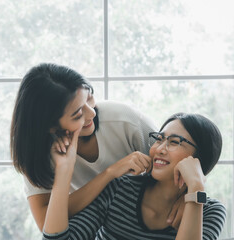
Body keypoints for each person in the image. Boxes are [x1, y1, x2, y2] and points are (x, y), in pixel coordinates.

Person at [11, 63, 184, 231]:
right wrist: (109, 173)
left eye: (89, 97)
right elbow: (46, 224)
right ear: (50, 126)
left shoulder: (124, 120)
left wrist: (188, 197)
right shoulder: (38, 153)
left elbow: (180, 160)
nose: (92, 113)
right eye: (78, 114)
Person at [43, 113, 226, 240]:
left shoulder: (210, 212)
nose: (159, 149)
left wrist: (195, 190)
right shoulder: (119, 189)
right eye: (159, 139)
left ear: (199, 159)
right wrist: (63, 169)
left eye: (174, 142)